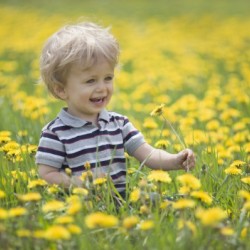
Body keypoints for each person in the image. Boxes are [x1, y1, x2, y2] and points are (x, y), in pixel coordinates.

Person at [35, 22, 195, 197]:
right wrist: (80, 184)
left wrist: (175, 160)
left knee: (158, 199)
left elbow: (149, 155)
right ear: (61, 89)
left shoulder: (119, 124)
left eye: (108, 78)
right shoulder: (56, 133)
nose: (102, 88)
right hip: (79, 211)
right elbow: (46, 175)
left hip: (120, 207)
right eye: (90, 81)